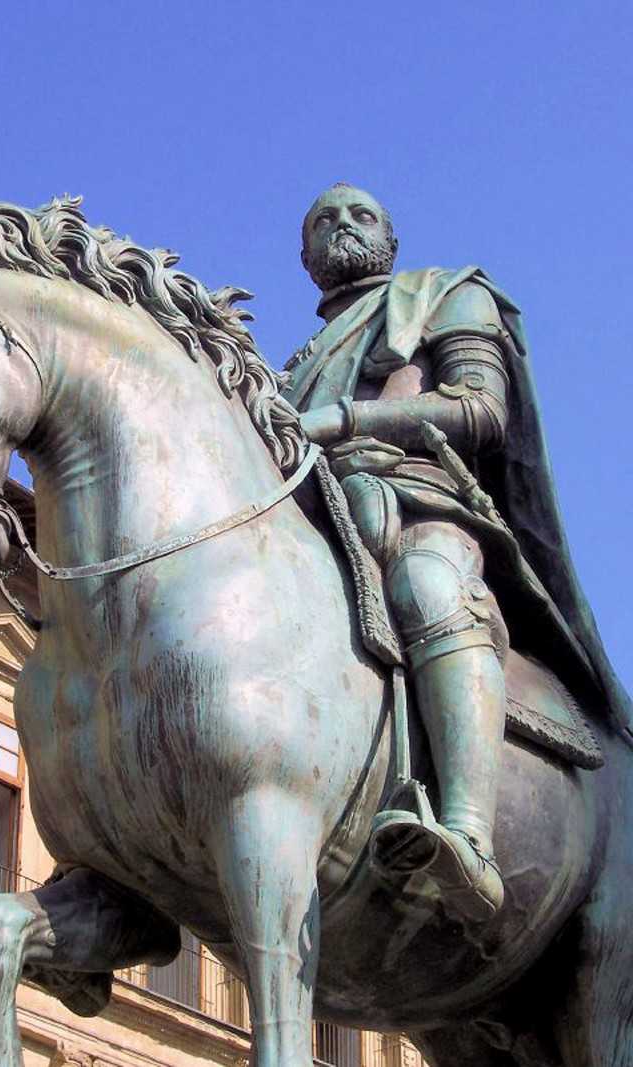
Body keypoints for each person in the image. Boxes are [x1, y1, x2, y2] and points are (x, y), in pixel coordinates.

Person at [283, 182, 633, 922]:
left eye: (361, 214)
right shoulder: (294, 364)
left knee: (428, 587)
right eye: (324, 220)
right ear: (304, 254)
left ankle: (469, 836)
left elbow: (479, 408)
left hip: (419, 501)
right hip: (321, 517)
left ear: (391, 236)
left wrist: (346, 418)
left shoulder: (447, 294)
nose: (343, 225)